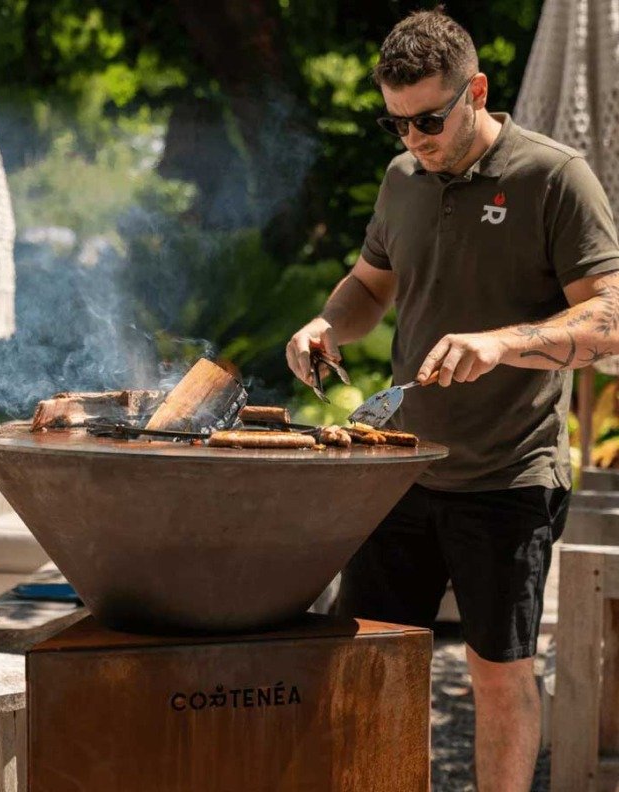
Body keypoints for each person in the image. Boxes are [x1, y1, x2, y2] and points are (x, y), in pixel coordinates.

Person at [286, 8, 619, 791]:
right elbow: (370, 285)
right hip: (400, 468)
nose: (413, 139)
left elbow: (610, 317)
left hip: (509, 476)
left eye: (429, 119)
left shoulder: (554, 176)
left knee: (498, 672)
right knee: (370, 662)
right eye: (395, 123)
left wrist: (503, 343)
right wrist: (325, 324)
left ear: (476, 90)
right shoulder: (403, 179)